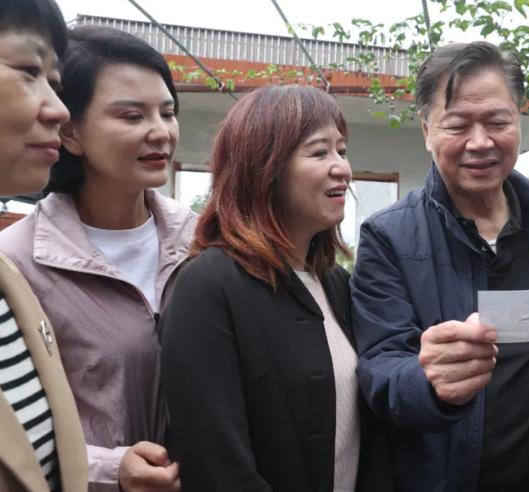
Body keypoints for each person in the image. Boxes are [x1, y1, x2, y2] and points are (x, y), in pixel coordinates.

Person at [350, 41, 529, 492]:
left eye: (498, 122)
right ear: (426, 130)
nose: (480, 142)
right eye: (457, 125)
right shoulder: (387, 237)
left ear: (518, 121)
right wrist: (428, 380)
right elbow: (380, 368)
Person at [158, 85, 392, 492]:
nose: (342, 168)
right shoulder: (207, 286)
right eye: (319, 153)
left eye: (341, 151)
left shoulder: (336, 282)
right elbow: (216, 462)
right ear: (265, 169)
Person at [0, 25, 195, 492]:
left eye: (168, 112)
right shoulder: (19, 264)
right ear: (70, 131)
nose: (160, 132)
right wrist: (111, 468)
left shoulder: (203, 241)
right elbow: (16, 434)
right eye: (132, 115)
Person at [0, 1, 88, 491]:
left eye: (54, 82)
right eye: (29, 71)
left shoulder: (9, 281)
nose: (60, 111)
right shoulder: (23, 255)